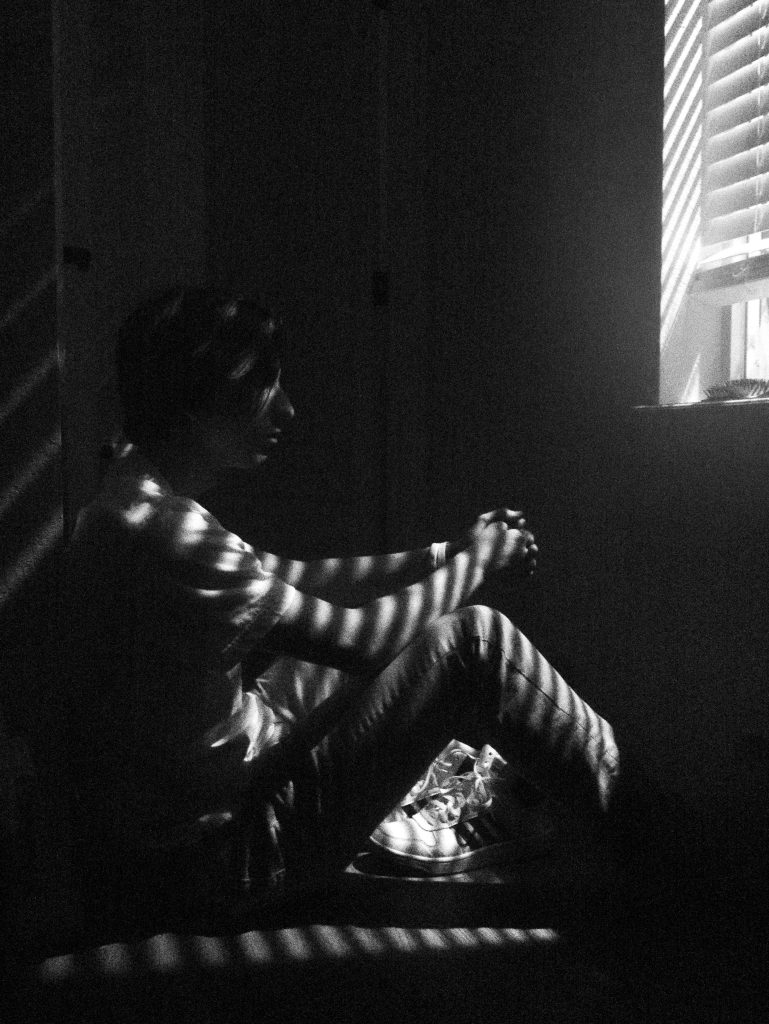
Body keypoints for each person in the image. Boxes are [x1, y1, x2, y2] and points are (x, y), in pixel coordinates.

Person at [64, 286, 634, 922]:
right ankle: (645, 823)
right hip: (222, 858)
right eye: (264, 384)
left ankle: (512, 785)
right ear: (195, 405)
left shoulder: (126, 501)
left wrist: (446, 553)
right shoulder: (173, 540)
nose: (286, 409)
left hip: (162, 831)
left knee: (353, 658)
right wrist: (482, 563)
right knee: (475, 641)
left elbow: (294, 577)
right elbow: (361, 638)